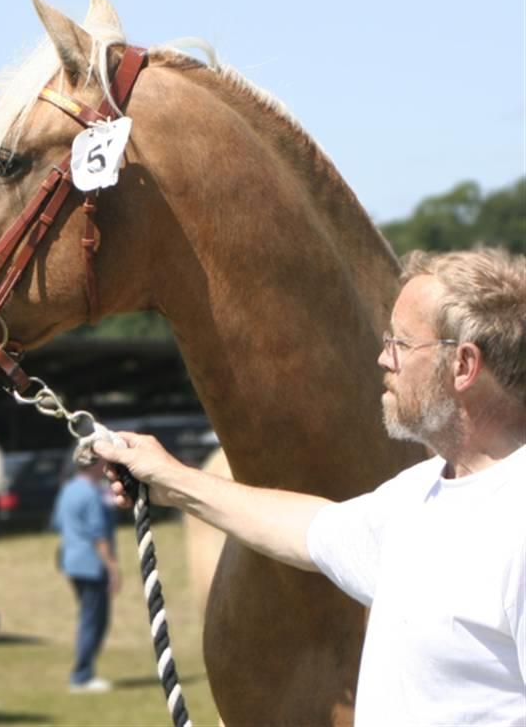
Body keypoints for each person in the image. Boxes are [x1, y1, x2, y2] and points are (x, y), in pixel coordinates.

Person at [95, 248, 526, 726]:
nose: (383, 357)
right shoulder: (420, 492)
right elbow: (308, 529)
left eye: (401, 343)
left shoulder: (517, 522)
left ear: (464, 365)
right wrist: (168, 478)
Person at [51, 456, 120, 693]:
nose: (105, 467)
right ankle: (82, 676)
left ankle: (84, 672)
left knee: (88, 618)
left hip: (72, 563)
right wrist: (113, 569)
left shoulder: (68, 489)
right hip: (91, 565)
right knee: (94, 621)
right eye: (101, 463)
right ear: (92, 464)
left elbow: (58, 523)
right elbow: (99, 536)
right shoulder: (91, 493)